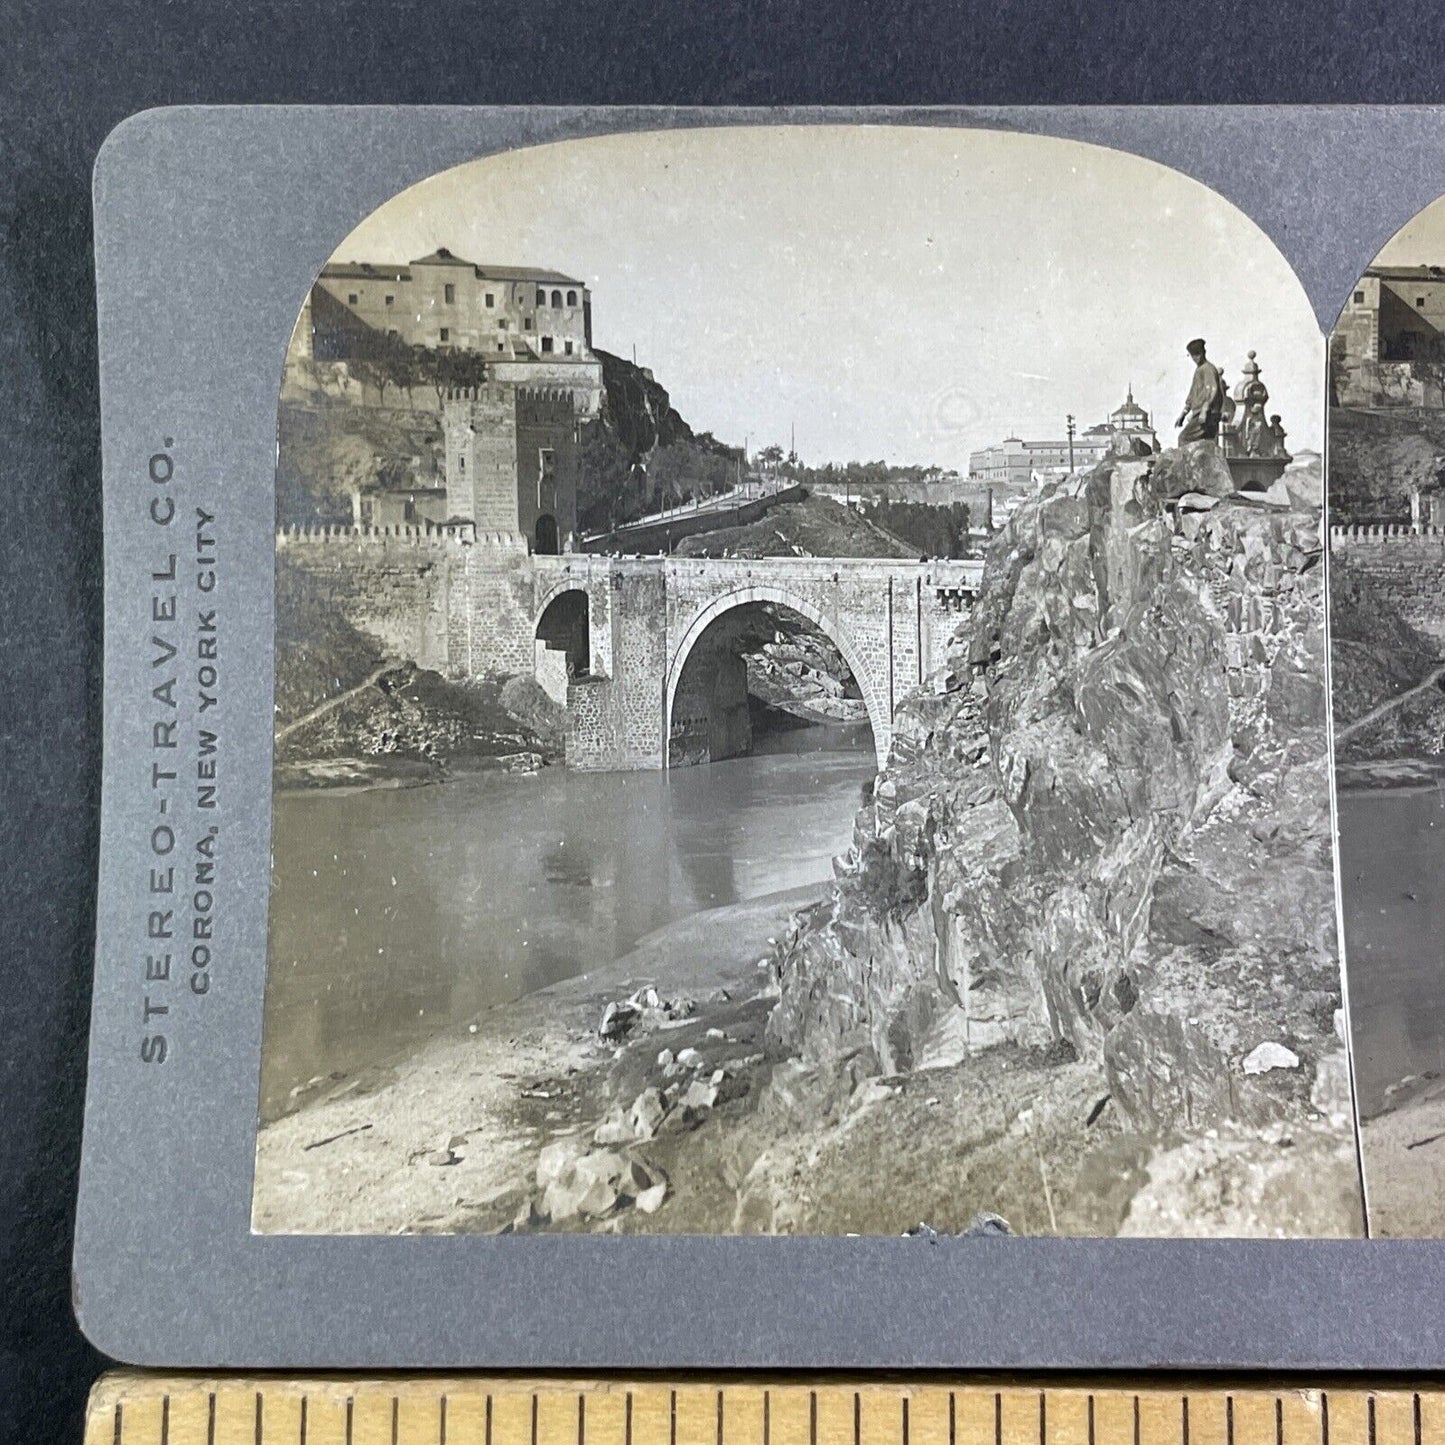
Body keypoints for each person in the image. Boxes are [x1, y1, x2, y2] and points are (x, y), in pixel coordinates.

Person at [1175, 337, 1225, 444]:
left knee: (1184, 439)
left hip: (1207, 415)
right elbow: (1192, 395)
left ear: (1203, 353)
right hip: (1202, 413)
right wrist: (1183, 414)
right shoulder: (1199, 370)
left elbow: (1212, 390)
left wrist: (1204, 410)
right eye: (1193, 355)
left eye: (1198, 354)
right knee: (1201, 444)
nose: (1196, 358)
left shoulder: (1208, 369)